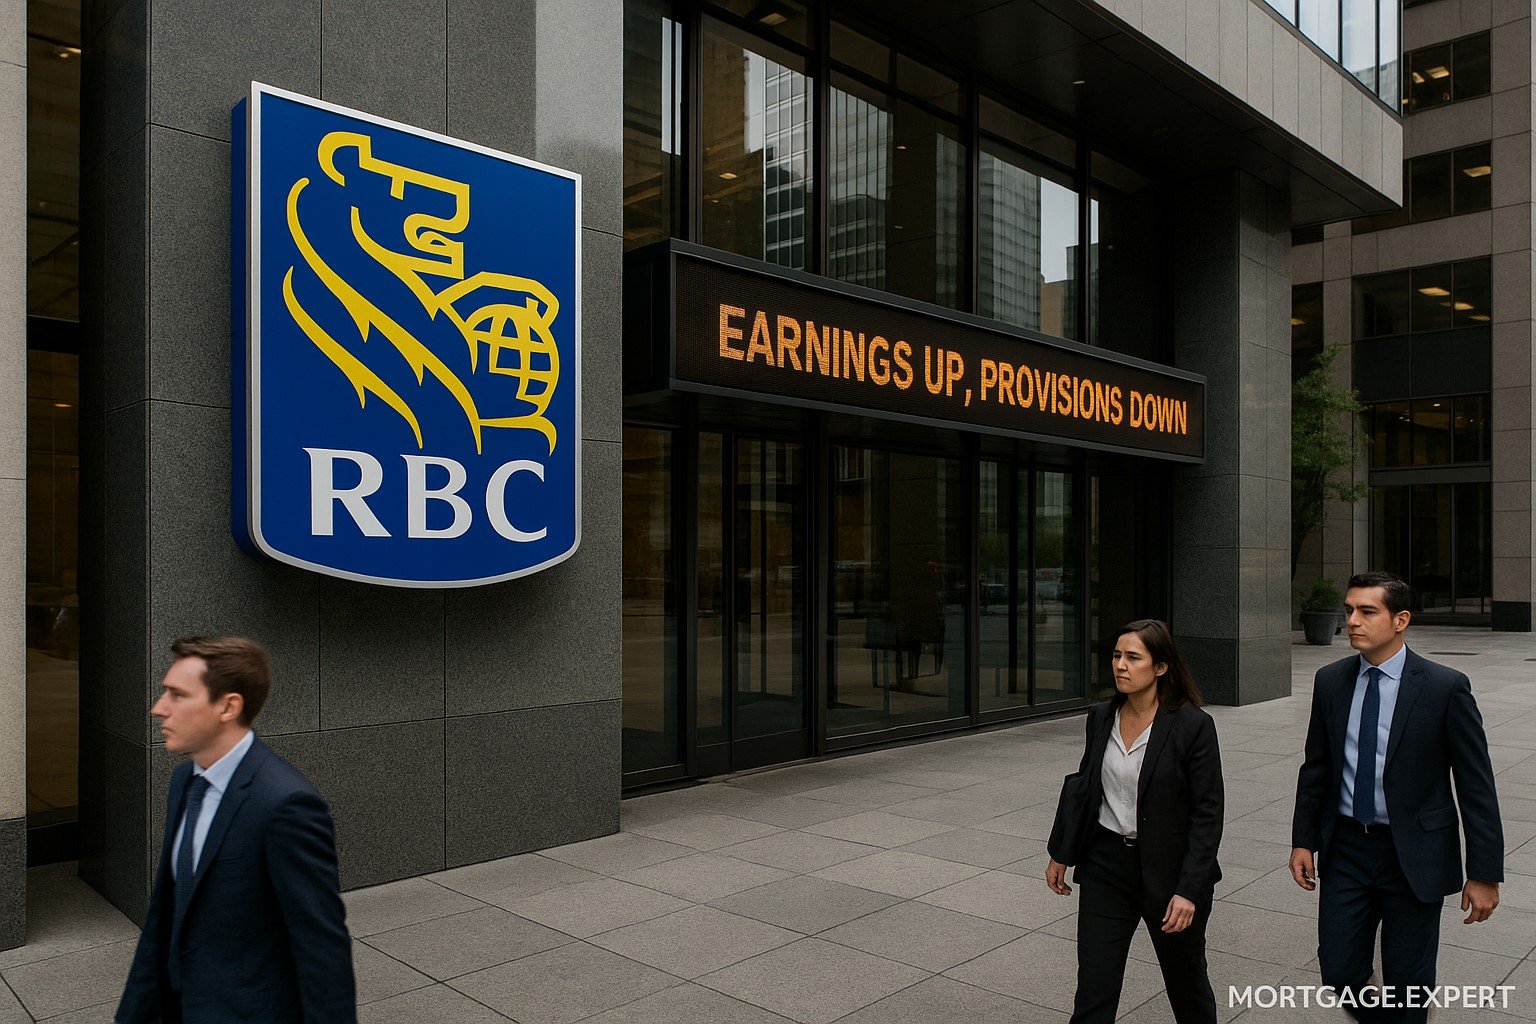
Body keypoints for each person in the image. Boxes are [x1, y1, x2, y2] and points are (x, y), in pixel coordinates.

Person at [1289, 571, 1502, 1023]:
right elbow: (1317, 768)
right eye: (1349, 610)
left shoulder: (1445, 687)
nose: (1353, 621)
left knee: (1408, 984)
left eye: (1367, 612)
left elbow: (1476, 784)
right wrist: (1303, 840)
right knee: (1339, 974)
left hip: (1413, 855)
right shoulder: (1330, 681)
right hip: (1346, 848)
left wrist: (1484, 872)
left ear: (1400, 619)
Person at [115, 636, 356, 1024]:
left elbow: (321, 946)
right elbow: (166, 912)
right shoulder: (183, 782)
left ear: (228, 706)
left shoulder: (285, 804)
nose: (158, 709)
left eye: (177, 695)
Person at [1046, 619, 1224, 1024]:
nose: (1120, 666)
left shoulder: (1192, 726)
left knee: (1187, 988)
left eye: (1133, 657)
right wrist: (1062, 851)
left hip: (1170, 872)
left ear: (1160, 667)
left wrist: (1189, 891)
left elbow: (1208, 814)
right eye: (1116, 656)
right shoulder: (1101, 716)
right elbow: (1085, 786)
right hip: (1106, 866)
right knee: (1094, 988)